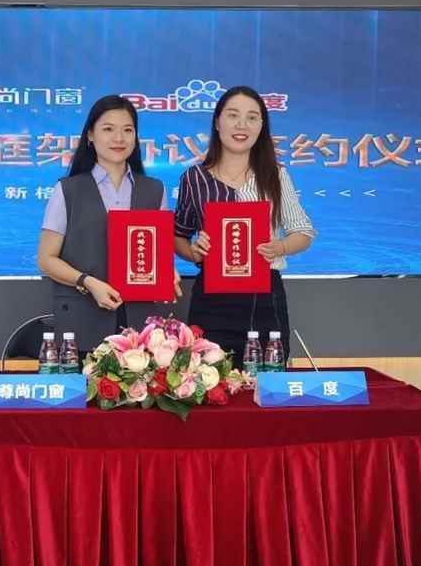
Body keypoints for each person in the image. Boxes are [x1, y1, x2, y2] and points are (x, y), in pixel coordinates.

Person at [174, 85, 315, 367]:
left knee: (266, 381)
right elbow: (178, 235)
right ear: (217, 122)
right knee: (207, 381)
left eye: (252, 117)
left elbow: (304, 232)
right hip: (211, 299)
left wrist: (279, 247)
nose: (242, 125)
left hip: (264, 297)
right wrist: (194, 252)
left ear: (262, 126)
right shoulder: (194, 178)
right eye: (233, 115)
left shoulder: (275, 175)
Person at [38, 94, 181, 353]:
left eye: (127, 130)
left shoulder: (154, 190)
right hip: (82, 321)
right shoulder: (67, 190)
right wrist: (88, 282)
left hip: (142, 326)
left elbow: (157, 253)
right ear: (90, 135)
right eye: (108, 129)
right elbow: (46, 259)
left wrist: (167, 272)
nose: (119, 138)